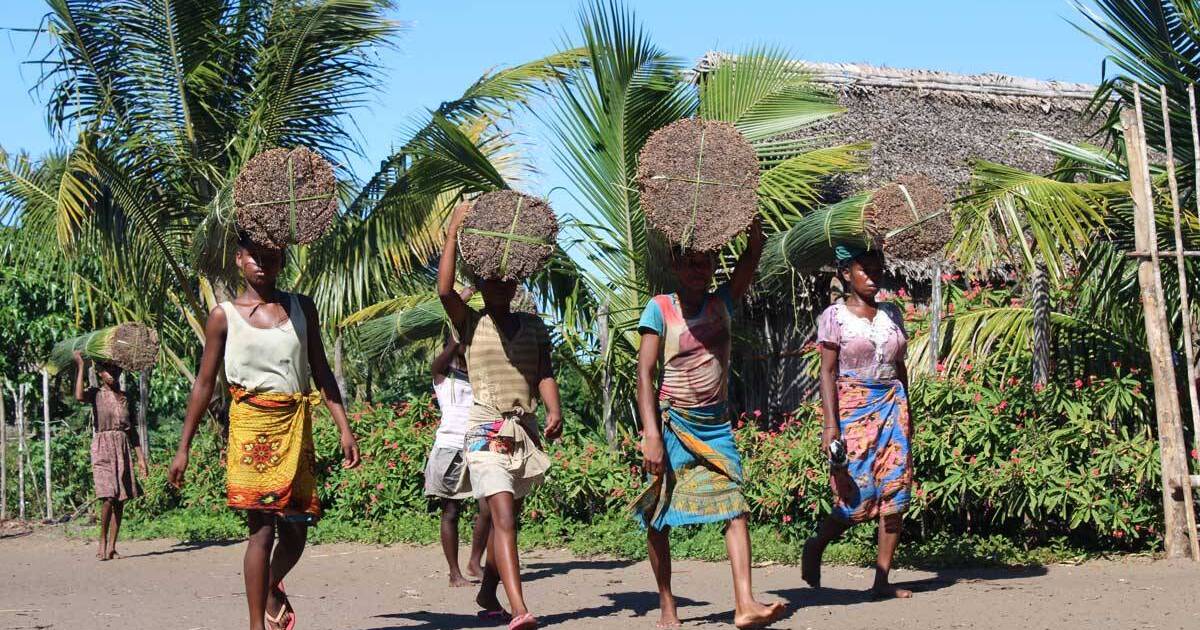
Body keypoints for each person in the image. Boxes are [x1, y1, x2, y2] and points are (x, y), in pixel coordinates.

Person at [168, 230, 362, 630]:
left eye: (270, 256)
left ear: (282, 260)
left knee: (296, 530)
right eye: (253, 256)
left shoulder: (301, 308)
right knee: (260, 532)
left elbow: (321, 370)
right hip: (249, 429)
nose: (261, 263)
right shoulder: (223, 316)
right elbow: (204, 384)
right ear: (239, 259)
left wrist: (345, 427)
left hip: (295, 424)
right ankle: (257, 623)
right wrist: (182, 448)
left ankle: (271, 584)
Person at [633, 217, 787, 630]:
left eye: (707, 261)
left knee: (735, 506)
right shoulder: (659, 308)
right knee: (658, 517)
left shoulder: (723, 303)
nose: (699, 269)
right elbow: (644, 375)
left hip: (715, 427)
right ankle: (667, 603)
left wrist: (752, 231)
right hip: (672, 424)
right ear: (675, 262)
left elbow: (751, 260)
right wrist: (650, 434)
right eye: (691, 261)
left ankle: (744, 603)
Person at [437, 200, 563, 630]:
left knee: (507, 522)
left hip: (522, 433)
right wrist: (454, 231)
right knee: (503, 516)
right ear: (481, 284)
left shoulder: (533, 327)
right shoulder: (471, 324)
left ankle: (488, 590)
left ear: (515, 285)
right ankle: (520, 608)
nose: (498, 288)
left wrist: (553, 408)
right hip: (484, 429)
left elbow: (542, 371)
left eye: (506, 282)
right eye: (490, 281)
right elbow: (443, 291)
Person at [802, 245, 914, 599]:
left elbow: (900, 367)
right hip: (854, 409)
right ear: (846, 274)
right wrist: (830, 426)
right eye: (864, 269)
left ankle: (881, 582)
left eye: (877, 268)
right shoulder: (834, 316)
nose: (873, 275)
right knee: (856, 494)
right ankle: (816, 545)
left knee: (897, 491)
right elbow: (828, 372)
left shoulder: (892, 314)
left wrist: (907, 411)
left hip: (893, 406)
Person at [425, 329, 492, 587]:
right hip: (449, 448)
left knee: (488, 509)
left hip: (478, 447)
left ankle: (475, 562)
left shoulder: (479, 377)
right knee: (451, 511)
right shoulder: (443, 377)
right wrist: (455, 337)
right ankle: (454, 573)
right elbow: (438, 363)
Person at [73, 351, 148, 561]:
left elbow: (132, 431)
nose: (112, 373)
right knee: (107, 496)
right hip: (103, 447)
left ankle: (113, 546)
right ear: (99, 372)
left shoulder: (125, 398)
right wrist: (81, 366)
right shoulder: (96, 394)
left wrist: (140, 458)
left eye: (115, 369)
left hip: (122, 447)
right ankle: (102, 540)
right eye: (107, 370)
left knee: (119, 499)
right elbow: (79, 396)